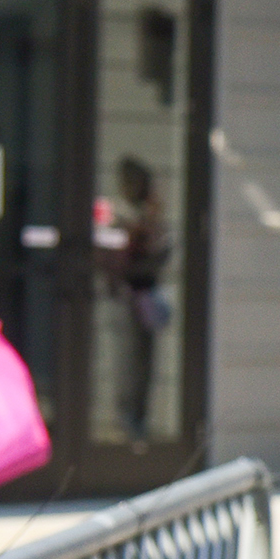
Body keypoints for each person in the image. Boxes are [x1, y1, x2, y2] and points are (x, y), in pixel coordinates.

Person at [101, 156, 171, 443]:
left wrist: (152, 224)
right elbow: (110, 254)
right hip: (123, 296)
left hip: (146, 295)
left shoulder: (150, 216)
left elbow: (163, 251)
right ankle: (126, 418)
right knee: (126, 360)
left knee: (146, 360)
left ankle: (140, 418)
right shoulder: (115, 214)